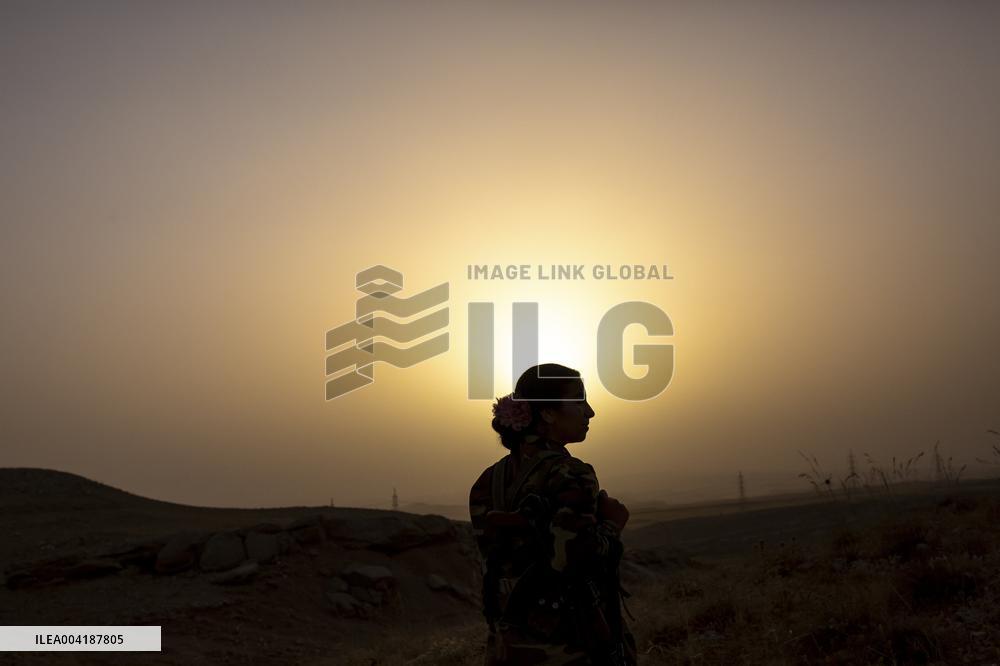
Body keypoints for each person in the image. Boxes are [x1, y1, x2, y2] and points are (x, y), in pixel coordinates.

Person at [469, 363, 638, 665]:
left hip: (507, 645)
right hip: (568, 646)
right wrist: (612, 525)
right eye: (578, 401)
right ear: (546, 413)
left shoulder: (487, 481)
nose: (590, 412)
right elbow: (574, 560)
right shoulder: (570, 473)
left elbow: (496, 563)